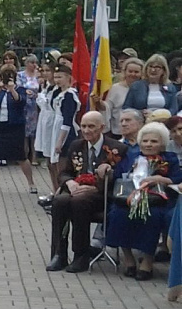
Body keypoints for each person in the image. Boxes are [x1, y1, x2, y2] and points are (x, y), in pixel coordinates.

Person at [46, 111, 124, 273]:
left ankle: (81, 255)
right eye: (83, 126)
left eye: (91, 127)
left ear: (102, 127)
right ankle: (59, 254)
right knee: (60, 201)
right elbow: (65, 172)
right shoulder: (77, 145)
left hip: (101, 195)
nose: (87, 131)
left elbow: (119, 179)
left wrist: (95, 187)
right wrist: (70, 182)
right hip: (76, 190)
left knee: (78, 202)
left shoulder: (116, 148)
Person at [105, 122, 181, 280]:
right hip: (129, 198)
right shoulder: (131, 156)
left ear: (162, 143)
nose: (149, 144)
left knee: (153, 216)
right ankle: (128, 258)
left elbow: (177, 179)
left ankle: (147, 261)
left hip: (159, 201)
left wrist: (161, 179)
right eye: (145, 141)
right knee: (118, 214)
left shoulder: (170, 159)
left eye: (154, 141)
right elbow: (119, 175)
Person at [0, 67, 37, 194]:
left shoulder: (21, 90)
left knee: (21, 156)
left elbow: (20, 101)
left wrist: (12, 89)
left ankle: (31, 183)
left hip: (15, 127)